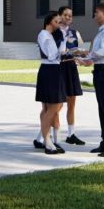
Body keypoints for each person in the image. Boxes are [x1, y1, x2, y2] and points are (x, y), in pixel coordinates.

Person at [78, 2, 104, 157]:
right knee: (102, 109)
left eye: (97, 12)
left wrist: (89, 59)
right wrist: (86, 57)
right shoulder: (101, 32)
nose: (94, 15)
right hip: (100, 72)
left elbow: (102, 51)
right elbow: (96, 52)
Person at [34, 12, 67, 155]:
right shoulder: (44, 35)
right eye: (57, 22)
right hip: (49, 70)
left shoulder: (52, 36)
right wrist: (65, 53)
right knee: (52, 107)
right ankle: (47, 142)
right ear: (49, 22)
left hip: (54, 70)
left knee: (52, 107)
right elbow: (51, 55)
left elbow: (58, 53)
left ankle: (42, 139)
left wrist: (64, 41)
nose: (59, 24)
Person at [56, 6, 86, 146]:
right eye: (65, 15)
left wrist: (81, 54)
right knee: (57, 104)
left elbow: (79, 50)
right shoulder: (54, 32)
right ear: (60, 16)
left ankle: (71, 134)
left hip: (71, 67)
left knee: (72, 101)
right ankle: (48, 133)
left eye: (70, 15)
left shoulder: (75, 33)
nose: (68, 17)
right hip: (58, 68)